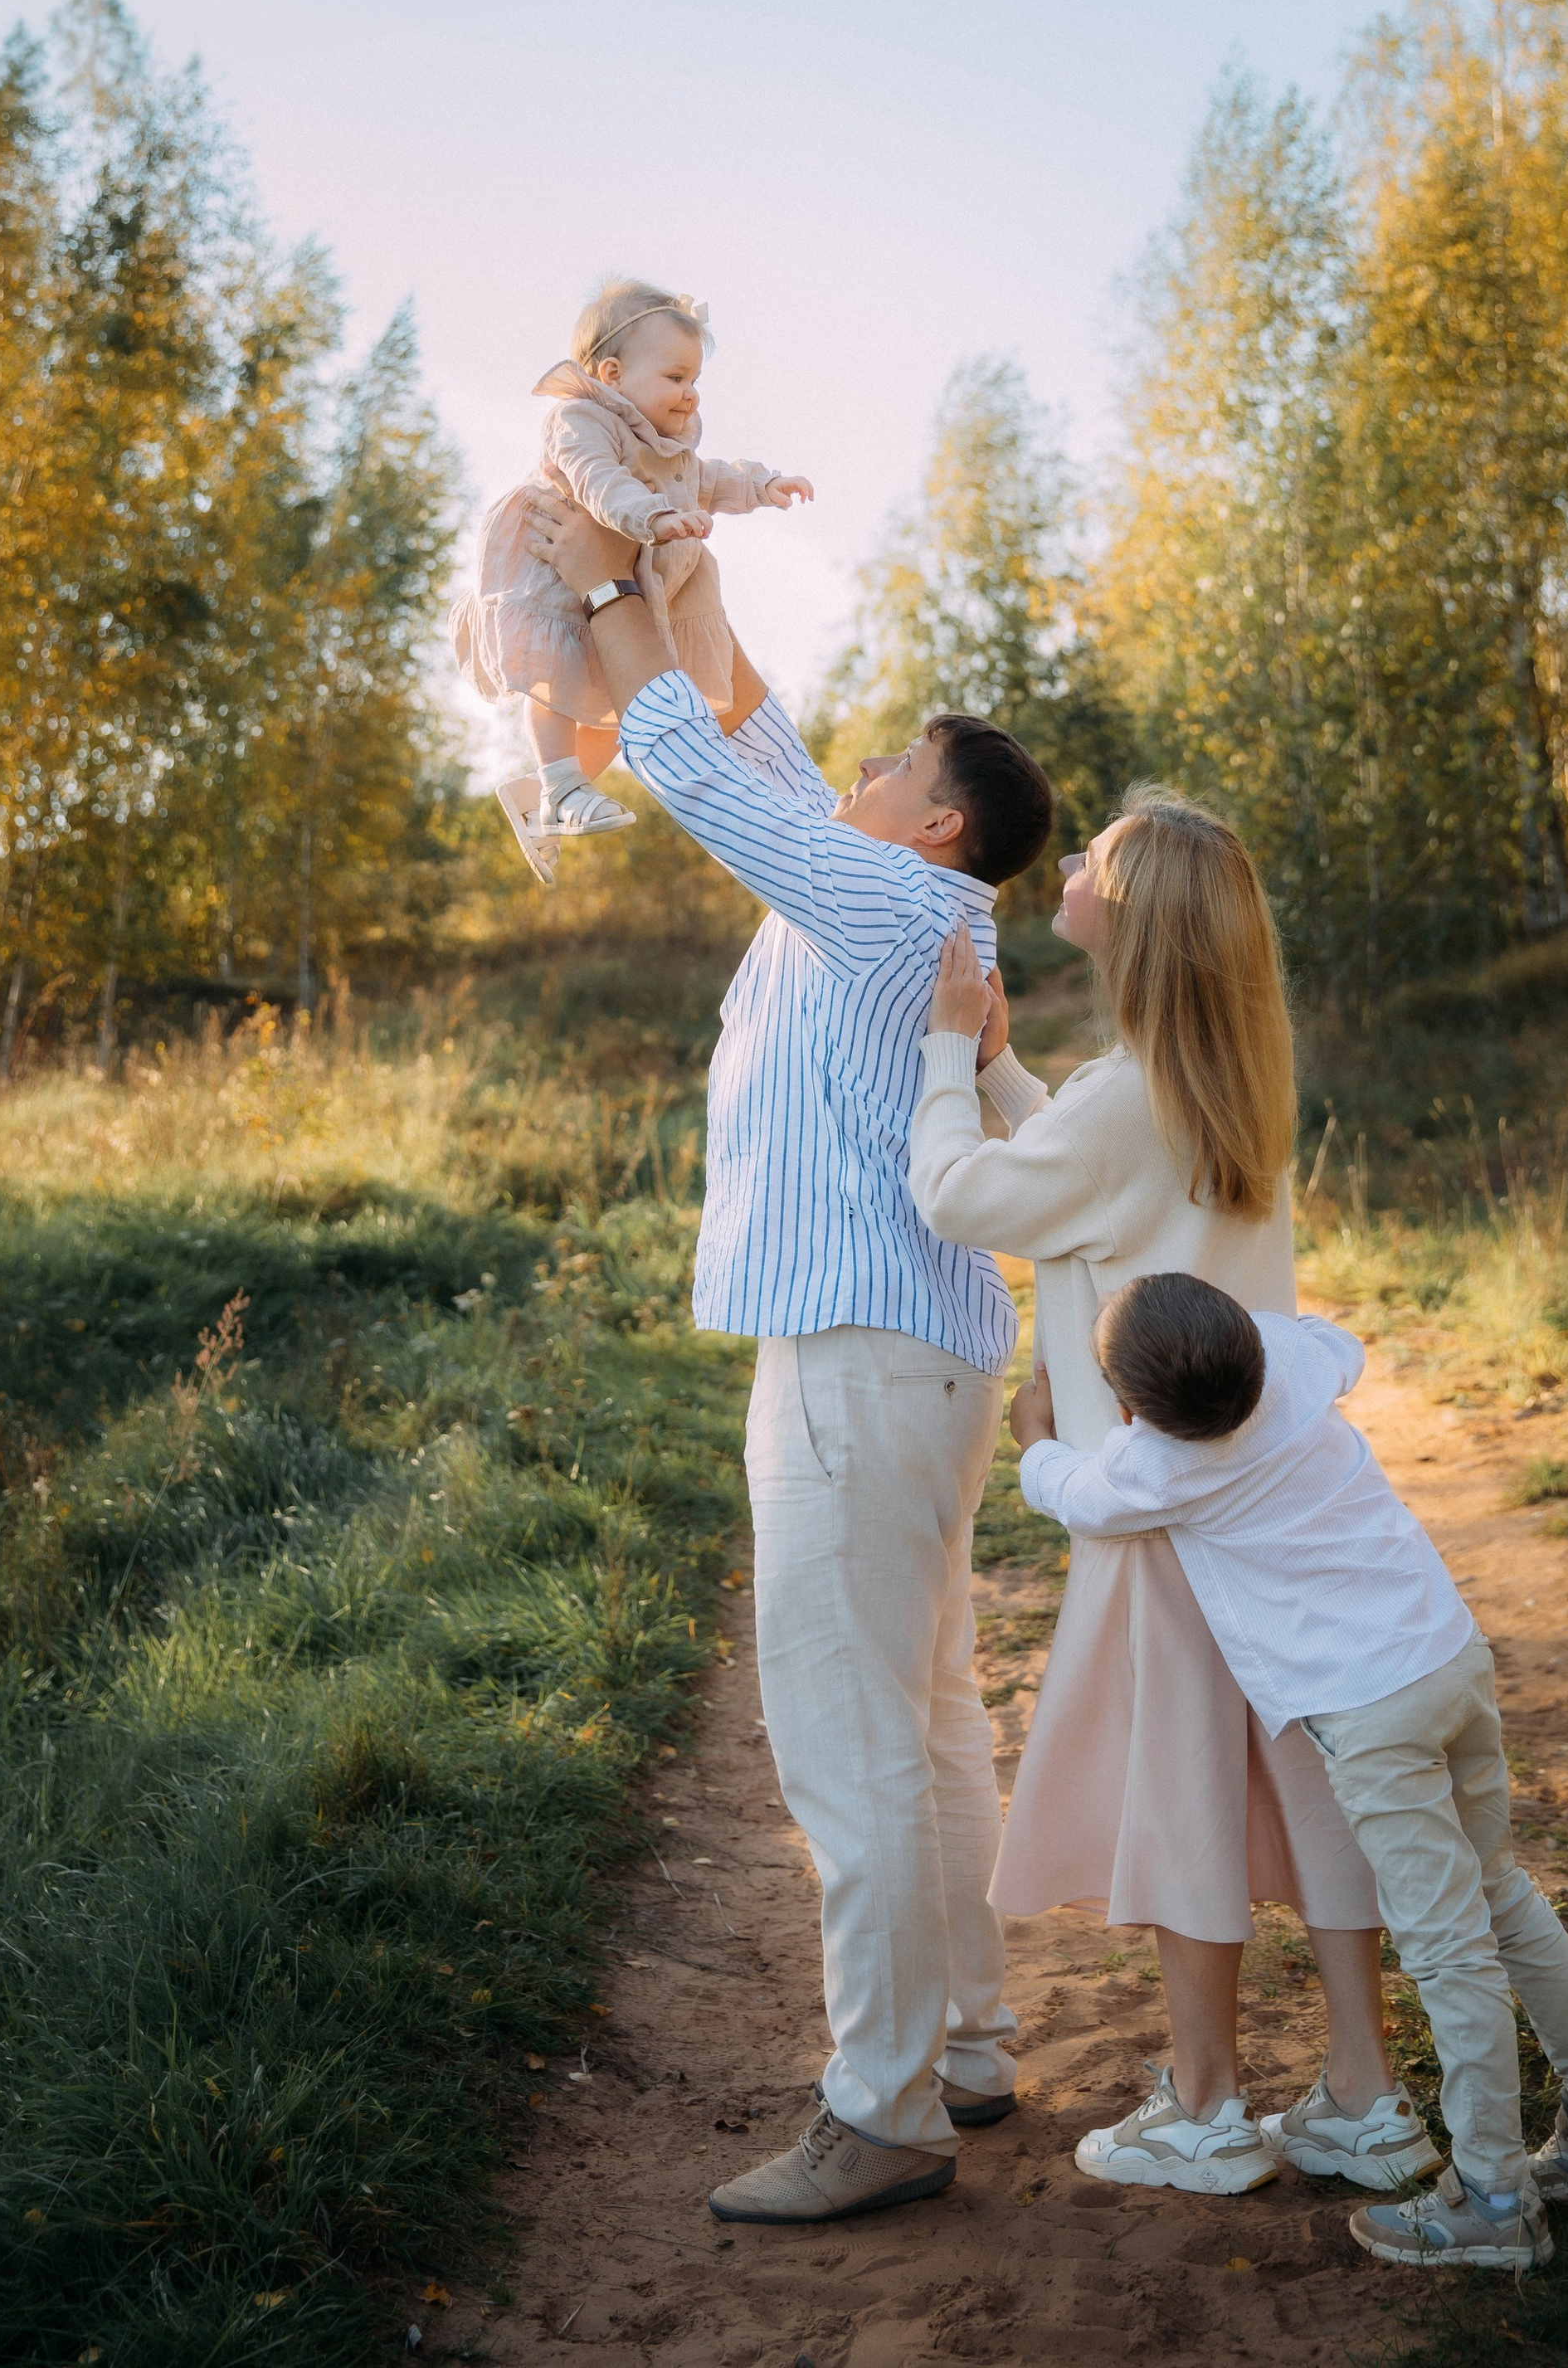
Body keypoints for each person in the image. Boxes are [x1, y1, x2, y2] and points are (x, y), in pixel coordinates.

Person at [514, 481, 1054, 2226]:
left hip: (853, 1360)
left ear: (938, 823)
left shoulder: (890, 908)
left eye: (895, 771)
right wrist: (671, 575)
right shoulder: (897, 900)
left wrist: (595, 586)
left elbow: (691, 763)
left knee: (847, 1738)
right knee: (931, 1718)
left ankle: (880, 2109)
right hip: (911, 1358)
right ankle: (963, 2047)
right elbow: (748, 721)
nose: (860, 776)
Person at [909, 793, 1427, 2204]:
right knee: (1302, 1789)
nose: (1069, 863)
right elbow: (1090, 1176)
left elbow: (966, 1198)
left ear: (1129, 918)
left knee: (1186, 1792)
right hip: (1264, 1494)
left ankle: (1204, 2106)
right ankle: (1366, 2097)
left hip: (1160, 1512)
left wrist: (952, 1053)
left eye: (1095, 860)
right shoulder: (1215, 1077)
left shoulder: (1129, 1098)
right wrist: (1018, 1078)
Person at [1009, 1266, 1568, 2271]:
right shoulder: (1292, 1359)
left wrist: (1034, 1436)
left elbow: (1073, 1493)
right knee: (1497, 1891)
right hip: (1449, 1656)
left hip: (1371, 1714)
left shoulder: (1158, 1466)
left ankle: (1496, 2199)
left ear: (1127, 1411)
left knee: (1449, 1948)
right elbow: (1340, 1342)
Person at [450, 279, 812, 873]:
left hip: (629, 581)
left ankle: (537, 795)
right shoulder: (580, 419)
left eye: (695, 380)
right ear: (612, 374)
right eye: (675, 378)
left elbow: (711, 478)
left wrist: (762, 487)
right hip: (559, 570)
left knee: (622, 712)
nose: (691, 394)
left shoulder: (670, 447)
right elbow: (598, 480)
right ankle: (560, 785)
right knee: (557, 676)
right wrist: (656, 515)